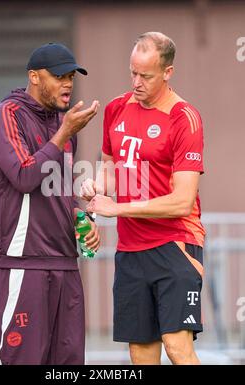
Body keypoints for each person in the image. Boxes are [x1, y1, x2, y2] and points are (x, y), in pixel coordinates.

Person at [81, 32, 205, 365]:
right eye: (132, 72)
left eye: (145, 76)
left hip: (174, 245)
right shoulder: (116, 109)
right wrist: (97, 187)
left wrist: (117, 208)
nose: (136, 82)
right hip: (130, 251)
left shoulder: (184, 118)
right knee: (140, 353)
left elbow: (181, 201)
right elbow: (110, 168)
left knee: (176, 346)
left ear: (168, 72)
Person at [0, 43, 100, 365]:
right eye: (59, 75)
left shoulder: (63, 126)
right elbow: (24, 177)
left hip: (64, 262)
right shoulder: (4, 116)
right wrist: (63, 134)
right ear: (34, 77)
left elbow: (55, 190)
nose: (68, 83)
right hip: (22, 261)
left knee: (69, 364)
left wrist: (82, 217)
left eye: (72, 76)